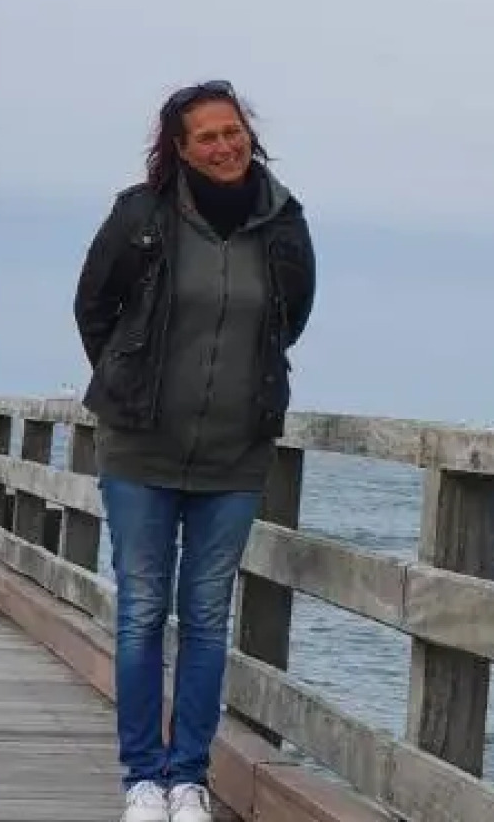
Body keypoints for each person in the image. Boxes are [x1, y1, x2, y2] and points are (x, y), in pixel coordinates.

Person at [72, 80, 316, 822]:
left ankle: (189, 780)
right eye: (205, 135)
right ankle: (142, 778)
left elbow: (290, 319)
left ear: (250, 133)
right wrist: (126, 381)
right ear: (178, 148)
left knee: (208, 616)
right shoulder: (140, 215)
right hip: (141, 449)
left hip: (233, 457)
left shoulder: (283, 223)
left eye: (231, 130)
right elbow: (93, 307)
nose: (223, 145)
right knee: (144, 610)